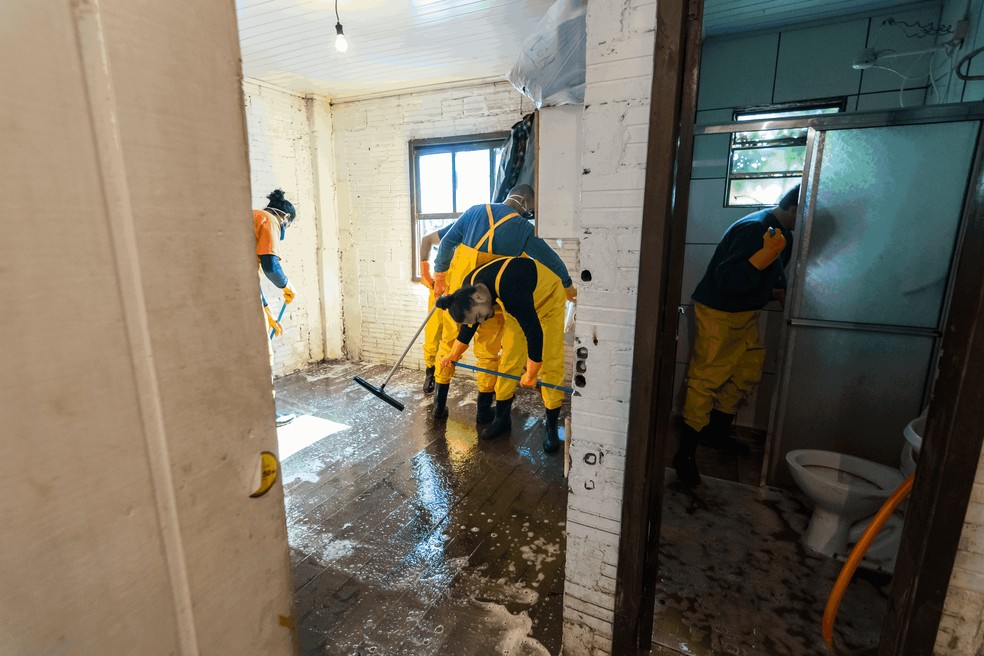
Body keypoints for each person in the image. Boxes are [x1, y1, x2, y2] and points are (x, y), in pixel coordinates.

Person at [674, 184, 800, 487]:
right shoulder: (754, 229)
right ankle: (685, 454)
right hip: (719, 311)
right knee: (707, 379)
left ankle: (716, 434)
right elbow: (727, 279)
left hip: (745, 312)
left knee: (746, 372)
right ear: (797, 209)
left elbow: (776, 279)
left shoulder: (784, 234)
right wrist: (761, 259)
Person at [430, 184, 576, 425]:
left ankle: (438, 406)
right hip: (495, 299)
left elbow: (446, 243)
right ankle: (483, 412)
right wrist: (568, 285)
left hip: (463, 288)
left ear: (508, 196)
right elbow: (551, 259)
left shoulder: (474, 211)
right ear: (528, 207)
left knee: (449, 343)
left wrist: (440, 275)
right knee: (488, 350)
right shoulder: (523, 229)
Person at [436, 256, 566, 454]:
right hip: (519, 305)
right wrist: (452, 356)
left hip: (547, 300)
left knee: (550, 361)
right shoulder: (468, 291)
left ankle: (551, 427)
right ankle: (501, 419)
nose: (482, 320)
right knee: (509, 360)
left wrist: (531, 374)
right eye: (478, 318)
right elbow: (469, 328)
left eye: (480, 316)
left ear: (478, 299)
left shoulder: (510, 286)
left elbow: (534, 331)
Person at [254, 189, 299, 427]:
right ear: (285, 218)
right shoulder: (270, 221)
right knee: (263, 354)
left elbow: (247, 275)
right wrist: (286, 285)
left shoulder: (250, 216)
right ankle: (267, 415)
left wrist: (267, 312)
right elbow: (270, 267)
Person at [418, 225, 453, 393]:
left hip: (462, 289)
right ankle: (430, 372)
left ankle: (443, 378)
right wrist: (425, 273)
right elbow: (426, 240)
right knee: (434, 332)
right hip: (440, 288)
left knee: (452, 338)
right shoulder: (455, 228)